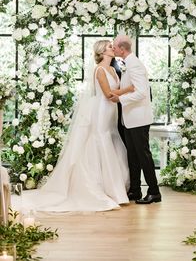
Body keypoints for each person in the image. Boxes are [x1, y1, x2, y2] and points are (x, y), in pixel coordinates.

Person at [19, 40, 134, 212]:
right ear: (102, 52)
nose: (113, 48)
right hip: (101, 109)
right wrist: (129, 89)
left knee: (110, 138)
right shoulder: (100, 70)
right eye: (110, 46)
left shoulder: (113, 69)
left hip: (111, 111)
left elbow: (115, 91)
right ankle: (108, 189)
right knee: (100, 140)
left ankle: (113, 188)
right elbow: (108, 94)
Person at [110, 35, 162, 204]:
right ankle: (135, 190)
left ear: (122, 49)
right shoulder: (129, 63)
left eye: (115, 47)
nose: (113, 48)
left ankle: (154, 192)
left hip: (138, 119)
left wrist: (120, 99)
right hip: (131, 119)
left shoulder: (135, 64)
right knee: (132, 156)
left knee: (143, 156)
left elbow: (142, 93)